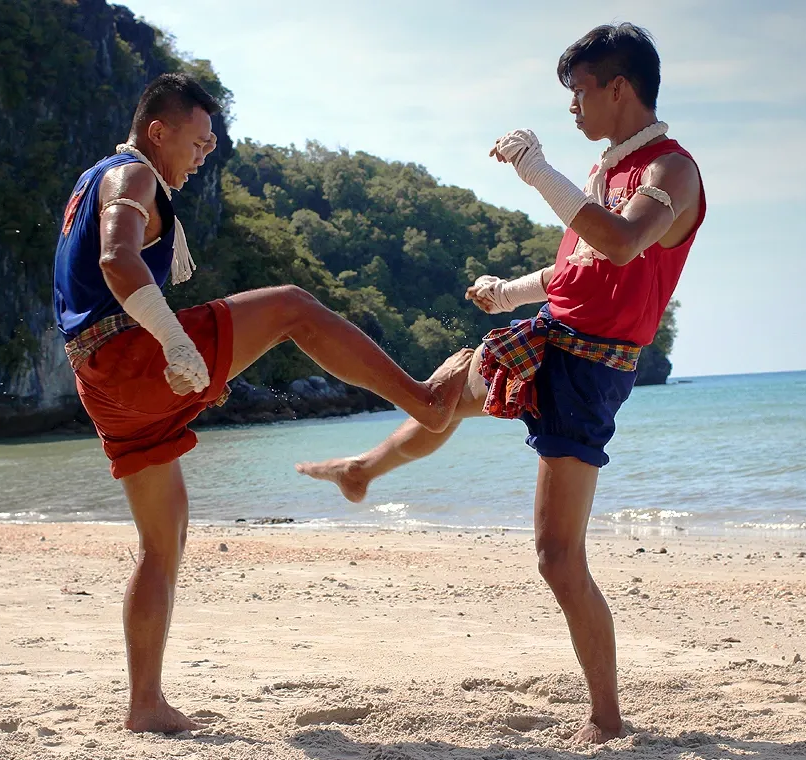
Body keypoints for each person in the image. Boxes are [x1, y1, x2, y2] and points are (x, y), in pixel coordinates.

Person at [296, 23, 706, 744]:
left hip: (590, 372)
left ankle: (607, 719)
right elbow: (578, 267)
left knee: (556, 557)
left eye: (579, 91)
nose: (572, 107)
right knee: (443, 395)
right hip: (548, 337)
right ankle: (362, 470)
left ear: (619, 87)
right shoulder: (605, 173)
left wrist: (535, 170)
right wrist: (510, 292)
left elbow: (619, 242)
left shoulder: (672, 172)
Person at [51, 72, 471, 733]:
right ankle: (423, 402)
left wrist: (181, 359)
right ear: (158, 131)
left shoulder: (92, 178)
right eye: (197, 141)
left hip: (98, 378)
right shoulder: (132, 177)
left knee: (164, 542)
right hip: (131, 357)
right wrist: (177, 348)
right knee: (293, 308)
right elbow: (115, 261)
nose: (203, 154)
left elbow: (97, 282)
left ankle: (145, 706)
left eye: (211, 144)